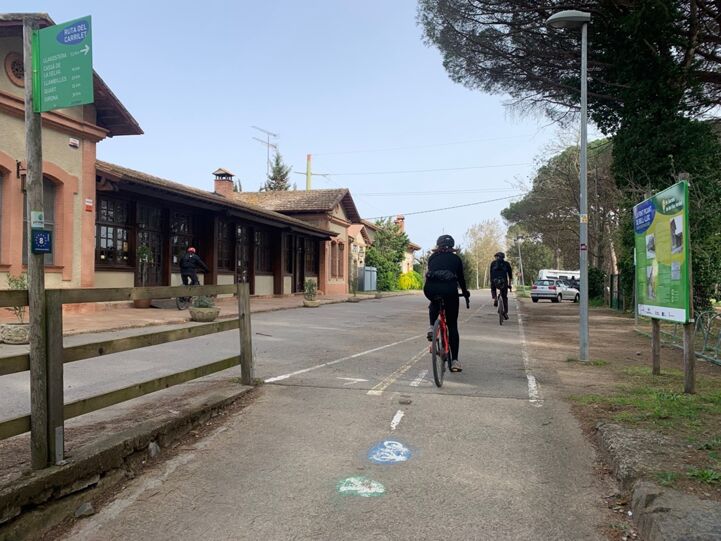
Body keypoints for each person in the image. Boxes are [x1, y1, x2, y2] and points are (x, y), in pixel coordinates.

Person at [423, 234, 470, 373]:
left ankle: (432, 327)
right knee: (453, 325)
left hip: (431, 289)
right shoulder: (456, 259)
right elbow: (461, 279)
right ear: (452, 247)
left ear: (438, 246)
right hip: (450, 291)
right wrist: (465, 293)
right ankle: (454, 361)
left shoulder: (432, 258)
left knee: (434, 302)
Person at [489, 251, 513, 319]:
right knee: (504, 297)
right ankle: (505, 312)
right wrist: (509, 285)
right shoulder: (507, 264)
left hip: (495, 281)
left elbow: (491, 274)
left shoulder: (493, 263)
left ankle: (495, 298)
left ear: (496, 257)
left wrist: (492, 281)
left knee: (493, 288)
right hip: (503, 282)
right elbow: (510, 276)